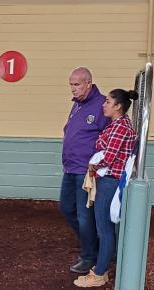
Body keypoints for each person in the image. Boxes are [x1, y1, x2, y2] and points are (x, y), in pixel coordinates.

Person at [74, 89, 137, 287]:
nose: (104, 104)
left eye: (108, 102)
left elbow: (107, 156)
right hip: (109, 177)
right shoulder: (117, 124)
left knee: (104, 229)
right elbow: (99, 141)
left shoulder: (119, 127)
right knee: (106, 228)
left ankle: (100, 273)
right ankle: (102, 268)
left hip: (110, 180)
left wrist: (94, 165)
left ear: (118, 106)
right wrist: (102, 147)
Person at [60, 67, 110, 274]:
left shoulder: (102, 105)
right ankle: (93, 245)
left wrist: (97, 165)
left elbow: (107, 138)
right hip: (70, 168)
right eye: (71, 84)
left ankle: (89, 256)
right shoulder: (77, 105)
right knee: (66, 208)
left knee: (84, 215)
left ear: (88, 83)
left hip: (86, 171)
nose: (72, 88)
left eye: (77, 84)